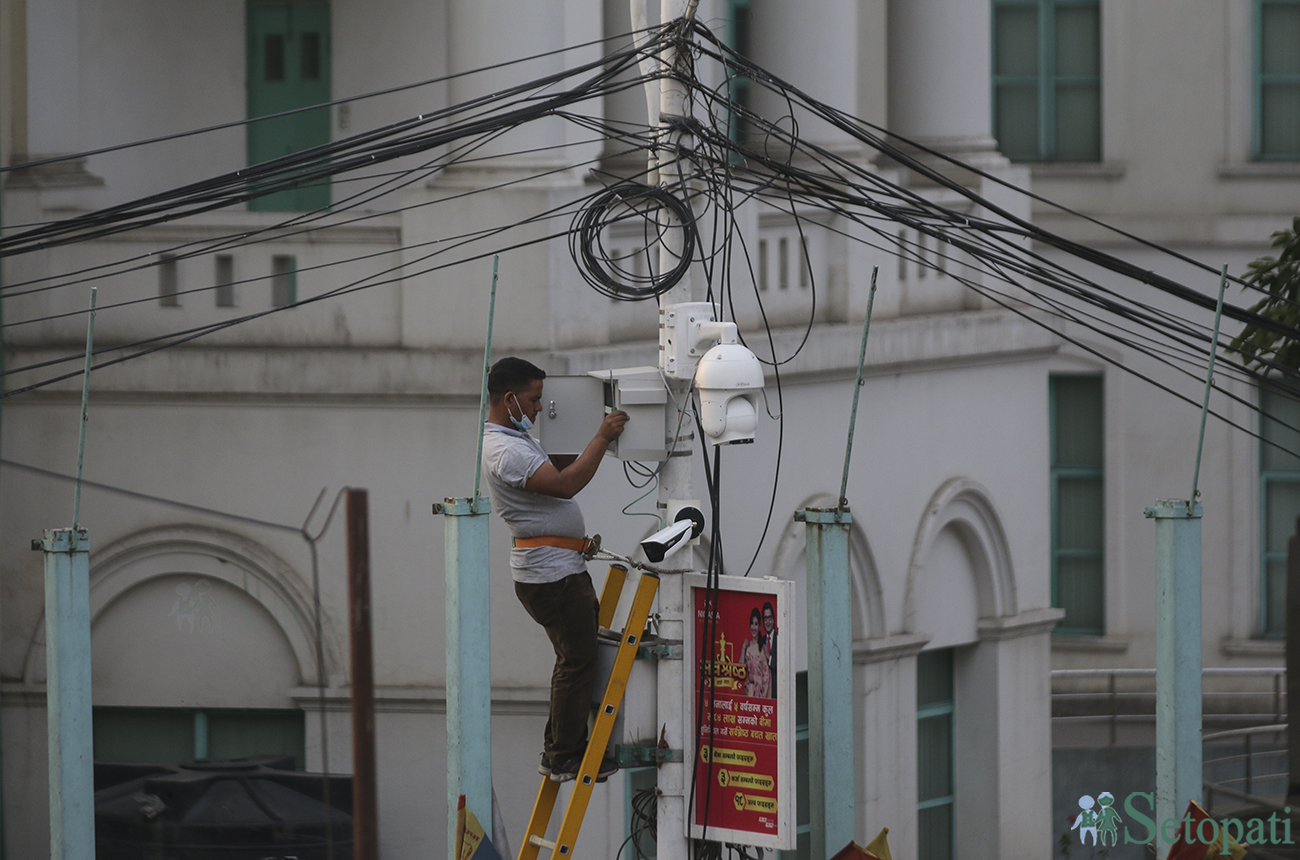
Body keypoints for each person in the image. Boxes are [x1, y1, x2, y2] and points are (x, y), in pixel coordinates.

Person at [480, 356, 629, 783]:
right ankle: (563, 755)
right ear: (508, 399)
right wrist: (602, 437)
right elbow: (565, 484)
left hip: (556, 569)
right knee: (577, 660)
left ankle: (560, 750)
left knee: (575, 658)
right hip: (551, 574)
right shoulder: (505, 450)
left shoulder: (513, 438)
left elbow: (557, 468)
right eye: (533, 399)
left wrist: (593, 436)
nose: (539, 408)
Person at [741, 607, 772, 698]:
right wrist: (743, 648)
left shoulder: (763, 648)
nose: (753, 627)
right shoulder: (747, 646)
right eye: (752, 624)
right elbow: (739, 670)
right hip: (748, 693)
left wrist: (754, 678)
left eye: (756, 624)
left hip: (761, 694)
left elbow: (767, 677)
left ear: (759, 627)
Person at [761, 601, 777, 698]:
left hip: (777, 694)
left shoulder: (780, 638)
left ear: (774, 619)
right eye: (765, 618)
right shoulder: (761, 641)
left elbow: (781, 665)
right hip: (764, 694)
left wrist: (768, 657)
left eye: (769, 618)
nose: (767, 622)